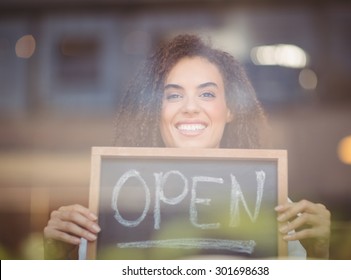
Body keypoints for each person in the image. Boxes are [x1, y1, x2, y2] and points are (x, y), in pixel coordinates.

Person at [44, 34, 331, 259]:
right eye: (173, 96)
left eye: (206, 93)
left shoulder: (276, 208)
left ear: (229, 109)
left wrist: (319, 255)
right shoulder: (112, 209)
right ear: (157, 112)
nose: (190, 108)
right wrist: (55, 262)